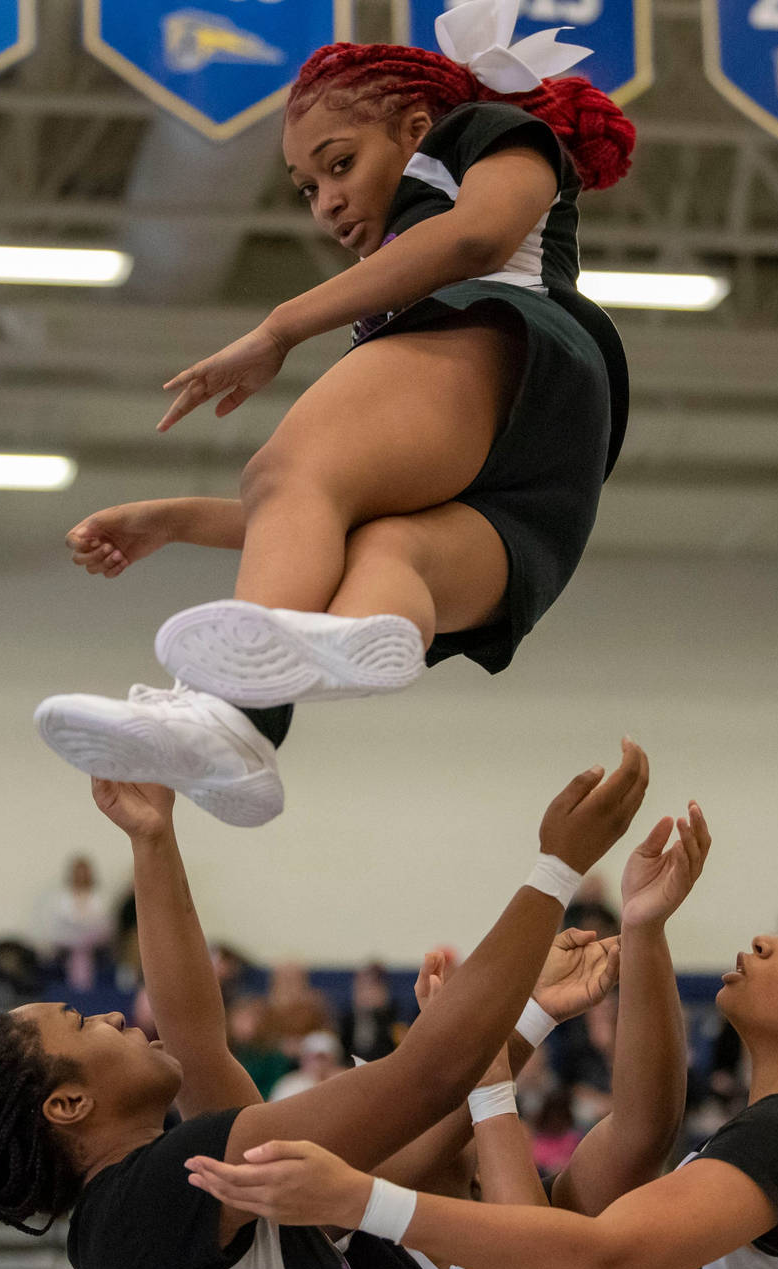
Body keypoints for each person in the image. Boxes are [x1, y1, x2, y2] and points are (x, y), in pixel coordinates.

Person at [34, 0, 638, 828]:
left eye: (340, 163)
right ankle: (354, 636)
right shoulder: (394, 319)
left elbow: (478, 238)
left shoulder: (489, 132)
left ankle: (233, 717)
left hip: (525, 356)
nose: (324, 201)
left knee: (285, 469)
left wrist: (280, 327)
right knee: (384, 550)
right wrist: (171, 518)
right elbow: (317, 524)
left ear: (418, 126)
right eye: (307, 187)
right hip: (536, 502)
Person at [0, 741, 650, 1269]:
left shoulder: (163, 1197)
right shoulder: (154, 1197)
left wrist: (152, 836)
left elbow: (201, 1040)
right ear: (67, 1103)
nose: (110, 1016)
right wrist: (555, 871)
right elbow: (429, 1077)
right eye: (81, 1021)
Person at [185, 857, 778, 1269]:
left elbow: (585, 1260)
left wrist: (361, 1195)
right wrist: (643, 928)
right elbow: (641, 1129)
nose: (769, 939)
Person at [46, 854, 117, 993]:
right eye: (78, 873)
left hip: (96, 950)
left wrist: (87, 940)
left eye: (84, 873)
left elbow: (107, 926)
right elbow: (54, 928)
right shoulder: (60, 899)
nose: (81, 876)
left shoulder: (101, 898)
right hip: (65, 950)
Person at [340, 963, 402, 1064]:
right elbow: (343, 1051)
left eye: (371, 988)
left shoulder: (394, 1016)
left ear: (384, 991)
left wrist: (378, 1014)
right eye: (361, 988)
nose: (366, 995)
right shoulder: (347, 1017)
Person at [269, 1032, 348, 1102]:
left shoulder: (344, 1083)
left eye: (322, 1058)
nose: (317, 1064)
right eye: (311, 1058)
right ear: (303, 1060)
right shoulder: (289, 1085)